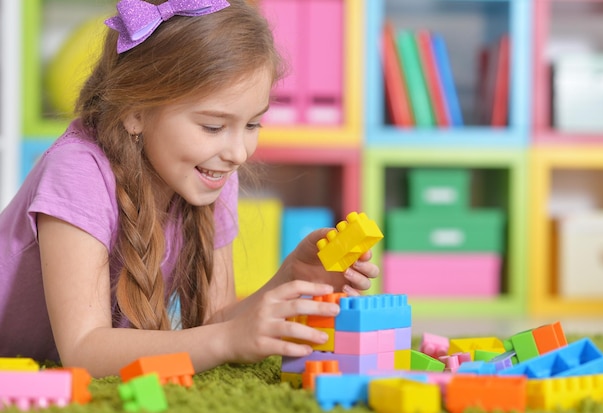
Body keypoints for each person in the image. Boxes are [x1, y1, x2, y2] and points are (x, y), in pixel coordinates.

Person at [0, 0, 379, 378]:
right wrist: (229, 337)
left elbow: (215, 324)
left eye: (252, 125)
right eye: (213, 127)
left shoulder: (208, 174)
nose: (237, 154)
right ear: (135, 112)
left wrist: (293, 279)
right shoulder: (78, 171)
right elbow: (85, 350)